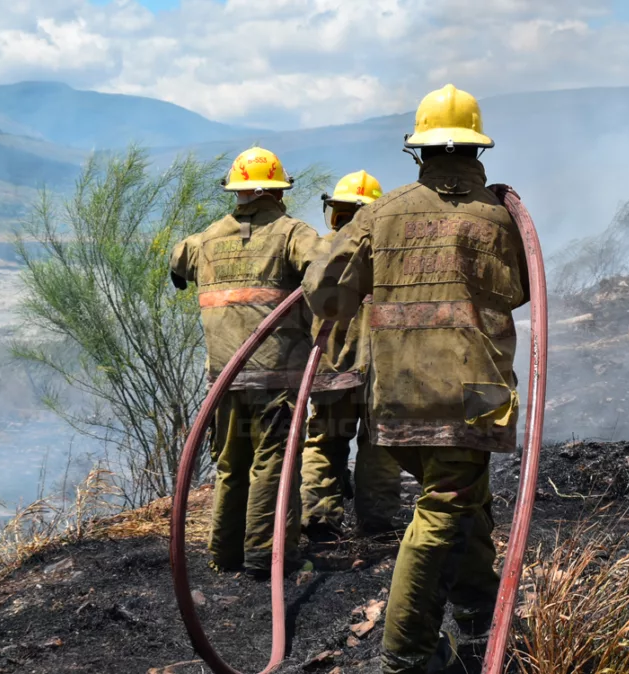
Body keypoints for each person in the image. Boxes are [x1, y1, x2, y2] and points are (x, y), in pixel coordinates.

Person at [301, 84, 529, 673]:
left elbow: (325, 293)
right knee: (446, 506)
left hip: (399, 391)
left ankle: (480, 620)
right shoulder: (502, 218)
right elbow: (521, 292)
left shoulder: (381, 212)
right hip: (477, 392)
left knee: (464, 500)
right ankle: (406, 656)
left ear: (418, 152)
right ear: (477, 149)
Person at [170, 146, 322, 580]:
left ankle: (224, 555)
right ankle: (266, 558)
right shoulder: (294, 234)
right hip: (276, 376)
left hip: (225, 377)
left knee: (231, 464)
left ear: (236, 192)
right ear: (277, 192)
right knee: (274, 463)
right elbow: (326, 272)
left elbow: (177, 260)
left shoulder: (205, 240)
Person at [301, 170, 403, 542]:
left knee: (326, 440)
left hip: (328, 369)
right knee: (378, 444)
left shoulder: (319, 252)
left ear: (335, 212)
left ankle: (319, 520)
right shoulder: (388, 255)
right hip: (380, 370)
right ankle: (375, 523)